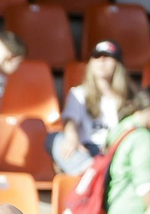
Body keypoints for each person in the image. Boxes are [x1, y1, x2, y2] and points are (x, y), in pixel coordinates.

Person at [53, 40, 134, 175]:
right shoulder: (78, 93)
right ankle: (93, 171)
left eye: (107, 57)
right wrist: (71, 136)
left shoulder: (130, 98)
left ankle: (96, 173)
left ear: (118, 64)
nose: (101, 61)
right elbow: (70, 120)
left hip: (116, 151)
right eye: (97, 57)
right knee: (53, 139)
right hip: (87, 149)